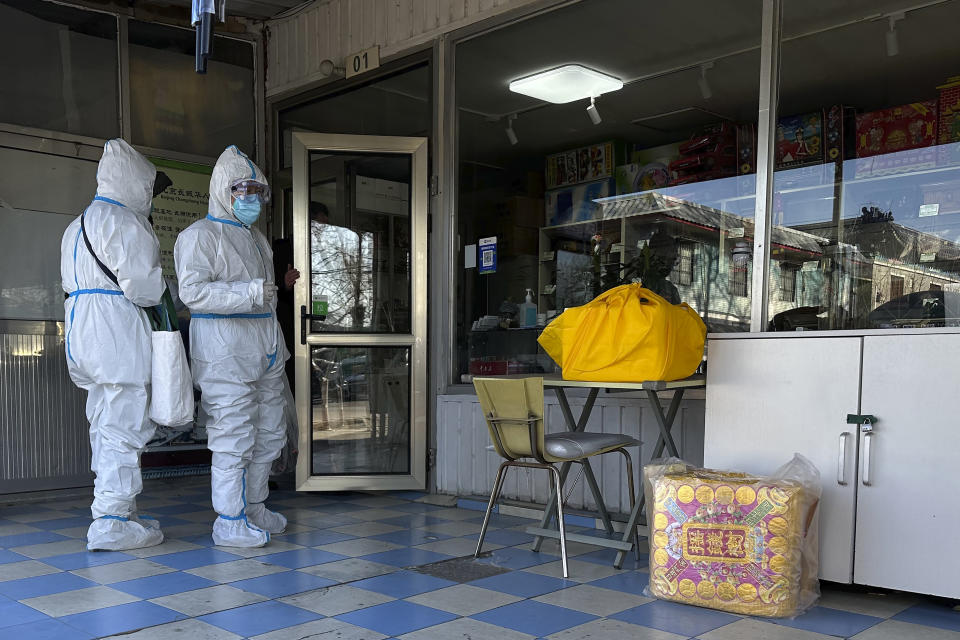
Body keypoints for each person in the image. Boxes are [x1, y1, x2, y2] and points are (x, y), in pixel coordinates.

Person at [174, 145, 287, 547]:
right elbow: (192, 293)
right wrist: (249, 292)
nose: (252, 200)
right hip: (225, 351)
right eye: (244, 190)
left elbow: (265, 298)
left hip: (266, 347)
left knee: (271, 431)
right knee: (233, 436)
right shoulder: (199, 236)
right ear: (223, 189)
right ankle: (229, 518)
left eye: (258, 192)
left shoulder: (258, 240)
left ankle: (254, 506)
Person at [60, 138, 166, 551]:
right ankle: (111, 521)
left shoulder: (77, 223)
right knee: (124, 428)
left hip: (83, 331)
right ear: (136, 181)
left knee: (103, 425)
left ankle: (117, 509)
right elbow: (143, 288)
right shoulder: (125, 222)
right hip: (116, 333)